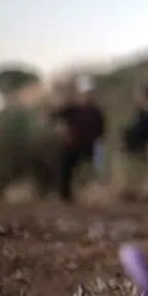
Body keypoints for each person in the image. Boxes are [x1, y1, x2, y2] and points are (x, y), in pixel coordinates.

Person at [50, 75, 107, 203]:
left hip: (89, 148)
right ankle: (65, 196)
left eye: (89, 93)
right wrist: (60, 129)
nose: (87, 95)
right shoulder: (72, 108)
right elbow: (54, 116)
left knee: (90, 172)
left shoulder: (96, 111)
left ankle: (89, 195)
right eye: (85, 93)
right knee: (65, 168)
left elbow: (101, 132)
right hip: (73, 146)